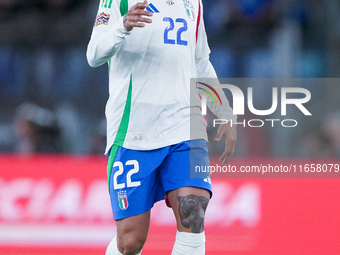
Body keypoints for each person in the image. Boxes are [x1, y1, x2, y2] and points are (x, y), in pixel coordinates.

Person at [86, 0, 237, 254]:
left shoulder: (194, 3)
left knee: (194, 215)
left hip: (185, 126)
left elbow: (200, 62)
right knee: (130, 242)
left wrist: (224, 110)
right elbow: (93, 54)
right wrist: (123, 26)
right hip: (134, 129)